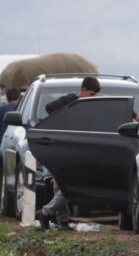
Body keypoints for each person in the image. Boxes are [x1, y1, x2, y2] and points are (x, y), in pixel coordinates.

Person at [36, 76, 101, 231]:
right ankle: (45, 212)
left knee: (60, 187)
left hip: (71, 150)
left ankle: (62, 221)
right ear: (83, 90)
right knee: (68, 187)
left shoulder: (89, 105)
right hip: (66, 150)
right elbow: (50, 107)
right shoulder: (70, 100)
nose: (94, 98)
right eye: (91, 94)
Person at [0, 88, 21, 166]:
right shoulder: (22, 109)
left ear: (7, 98)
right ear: (19, 97)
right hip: (17, 149)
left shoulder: (1, 111)